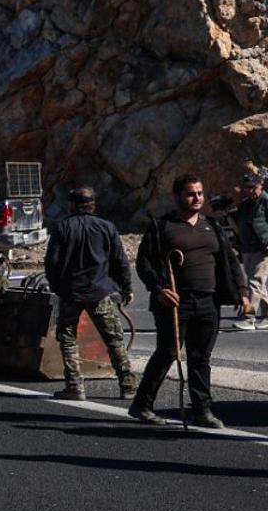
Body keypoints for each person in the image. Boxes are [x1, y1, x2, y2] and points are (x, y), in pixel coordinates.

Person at [128, 174, 251, 427]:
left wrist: (242, 291)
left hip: (208, 301)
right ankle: (142, 405)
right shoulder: (163, 226)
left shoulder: (211, 225)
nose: (197, 198)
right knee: (167, 353)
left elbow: (229, 260)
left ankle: (202, 410)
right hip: (174, 303)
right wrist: (159, 289)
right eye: (191, 194)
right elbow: (144, 263)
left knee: (201, 357)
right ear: (177, 197)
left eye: (200, 194)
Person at [44, 186, 137, 401]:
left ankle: (74, 387)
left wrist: (57, 286)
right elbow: (120, 260)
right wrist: (127, 288)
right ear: (92, 205)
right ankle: (128, 385)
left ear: (72, 205)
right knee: (113, 339)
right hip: (100, 292)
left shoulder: (63, 227)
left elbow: (52, 262)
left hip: (71, 293)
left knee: (68, 340)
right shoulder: (107, 227)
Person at [230, 171, 268, 330]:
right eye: (247, 187)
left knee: (255, 281)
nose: (251, 190)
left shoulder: (265, 201)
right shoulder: (245, 204)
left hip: (263, 248)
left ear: (261, 185)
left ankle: (249, 317)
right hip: (247, 248)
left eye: (254, 187)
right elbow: (238, 226)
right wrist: (226, 213)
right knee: (258, 284)